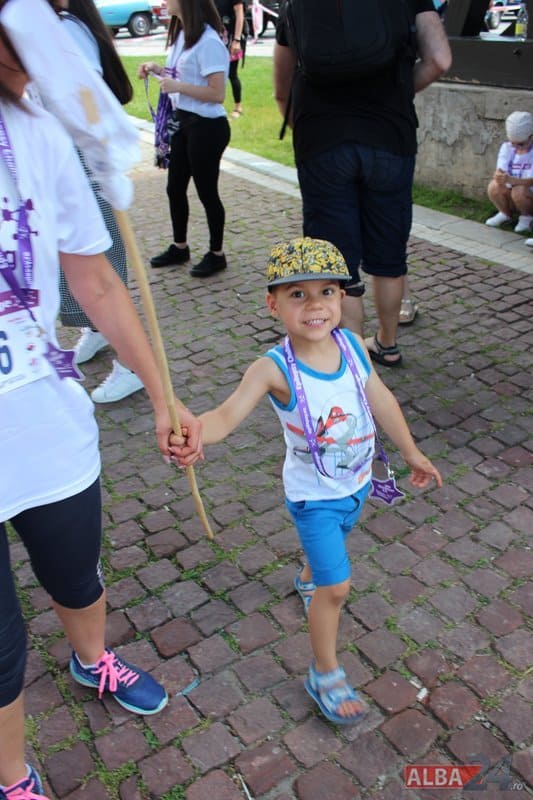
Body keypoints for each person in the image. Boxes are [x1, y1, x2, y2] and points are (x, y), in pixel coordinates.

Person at [0, 19, 201, 800]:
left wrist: (161, 392)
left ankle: (92, 661)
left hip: (46, 427)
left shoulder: (37, 133)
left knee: (75, 573)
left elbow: (97, 281)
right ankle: (13, 776)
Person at [173, 237, 442, 725]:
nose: (315, 305)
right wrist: (195, 431)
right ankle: (324, 672)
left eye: (327, 292)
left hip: (357, 485)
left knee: (333, 551)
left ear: (342, 297)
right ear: (273, 304)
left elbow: (381, 399)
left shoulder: (352, 346)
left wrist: (411, 452)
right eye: (298, 294)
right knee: (335, 587)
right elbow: (225, 416)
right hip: (313, 498)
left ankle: (306, 576)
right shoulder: (271, 369)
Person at [273, 3, 452, 366]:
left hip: (322, 141)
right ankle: (387, 343)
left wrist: (306, 127)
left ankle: (352, 357)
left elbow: (282, 90)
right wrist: (398, 92)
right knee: (389, 255)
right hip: (390, 137)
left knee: (336, 259)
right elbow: (439, 60)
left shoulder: (294, 5)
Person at [47, 0, 146, 404]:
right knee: (74, 264)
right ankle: (98, 330)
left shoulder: (65, 29)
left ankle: (132, 365)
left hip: (83, 165)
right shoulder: (50, 25)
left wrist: (99, 159)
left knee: (102, 266)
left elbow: (87, 101)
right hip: (63, 165)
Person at [138, 0, 231, 278]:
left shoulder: (209, 41)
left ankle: (217, 254)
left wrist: (178, 86)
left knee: (207, 192)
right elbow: (181, 76)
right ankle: (180, 247)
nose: (164, 1)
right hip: (184, 122)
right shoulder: (182, 35)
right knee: (174, 187)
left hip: (207, 126)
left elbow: (217, 94)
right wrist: (157, 69)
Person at [485, 110, 533, 235]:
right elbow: (500, 169)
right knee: (493, 186)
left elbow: (531, 181)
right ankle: (505, 214)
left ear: (531, 137)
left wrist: (511, 180)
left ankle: (527, 218)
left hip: (528, 193)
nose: (516, 147)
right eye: (513, 143)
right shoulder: (507, 147)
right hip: (513, 190)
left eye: (521, 144)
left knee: (519, 190)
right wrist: (499, 176)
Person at [215, 0, 246, 118]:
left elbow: (240, 14)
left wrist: (237, 40)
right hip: (215, 38)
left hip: (231, 38)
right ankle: (215, 105)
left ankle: (238, 107)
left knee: (232, 74)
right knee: (214, 74)